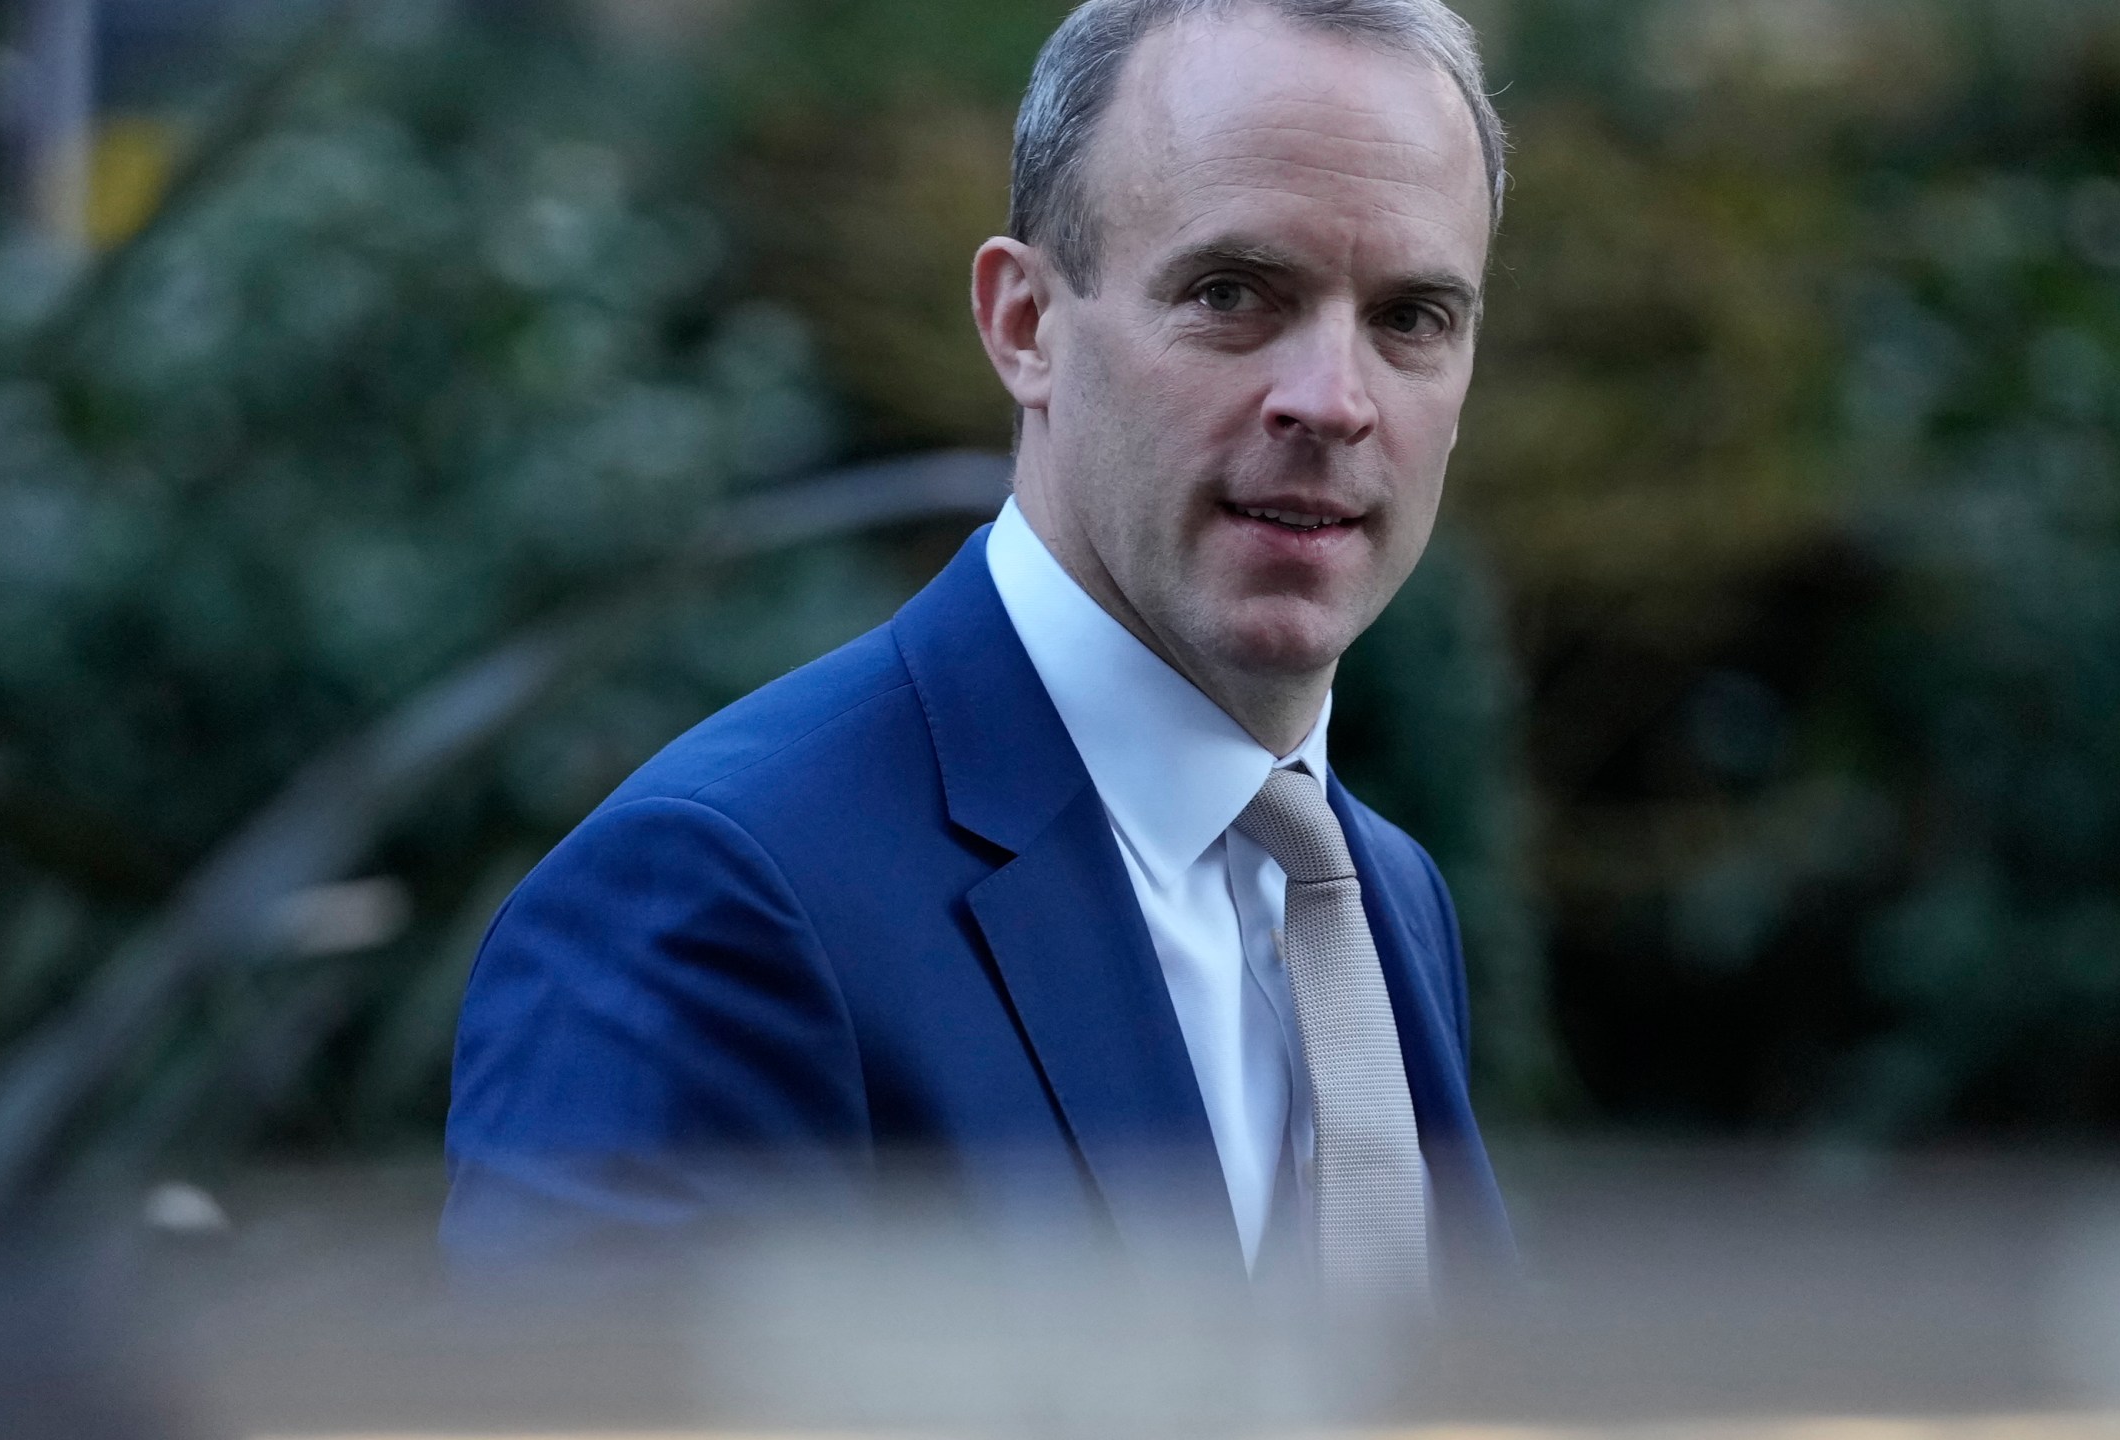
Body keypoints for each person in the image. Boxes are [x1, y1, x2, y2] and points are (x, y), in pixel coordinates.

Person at [442, 0, 1515, 1295]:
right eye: (1234, 294)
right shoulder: (710, 904)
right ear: (1024, 324)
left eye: (1412, 318)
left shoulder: (1381, 898)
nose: (1334, 400)